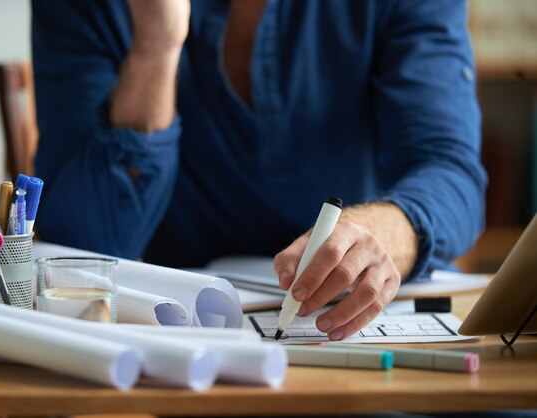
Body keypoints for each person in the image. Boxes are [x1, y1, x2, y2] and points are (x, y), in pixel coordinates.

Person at [31, 0, 486, 340]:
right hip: (194, 338)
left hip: (371, 320)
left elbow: (452, 174)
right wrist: (156, 46)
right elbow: (85, 250)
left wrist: (380, 233)